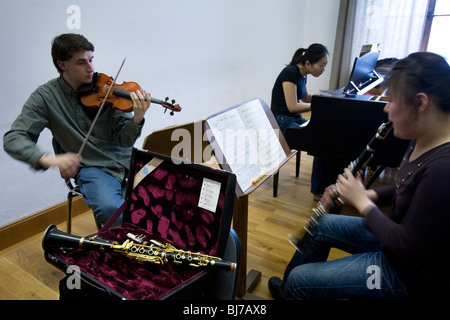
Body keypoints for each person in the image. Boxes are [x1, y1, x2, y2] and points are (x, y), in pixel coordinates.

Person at [268, 52, 450, 300]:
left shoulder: (443, 169)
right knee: (320, 226)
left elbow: (406, 246)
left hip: (407, 274)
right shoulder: (423, 137)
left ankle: (295, 288)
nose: (386, 108)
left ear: (420, 103)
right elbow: (404, 187)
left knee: (301, 281)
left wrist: (361, 202)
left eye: (393, 100)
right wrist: (368, 193)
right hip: (394, 243)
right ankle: (291, 289)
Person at [3, 33, 152, 228]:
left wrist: (137, 118)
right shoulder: (45, 98)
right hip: (93, 167)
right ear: (62, 64)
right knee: (111, 210)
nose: (91, 68)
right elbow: (13, 138)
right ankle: (120, 253)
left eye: (91, 60)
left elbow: (124, 141)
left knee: (161, 199)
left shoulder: (106, 88)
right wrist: (49, 159)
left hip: (125, 159)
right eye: (81, 62)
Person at [270, 43, 328, 134]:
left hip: (295, 118)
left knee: (321, 128)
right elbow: (292, 107)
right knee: (315, 134)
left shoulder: (303, 75)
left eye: (325, 65)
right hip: (282, 120)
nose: (324, 69)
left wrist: (325, 99)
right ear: (308, 63)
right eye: (321, 65)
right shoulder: (290, 72)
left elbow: (306, 97)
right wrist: (317, 106)